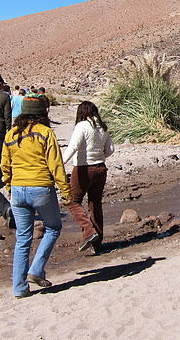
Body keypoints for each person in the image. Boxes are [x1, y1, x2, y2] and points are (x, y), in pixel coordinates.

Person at [1, 94, 72, 298]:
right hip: (41, 188)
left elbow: (5, 165)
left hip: (17, 189)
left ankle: (19, 287)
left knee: (22, 238)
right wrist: (66, 192)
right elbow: (56, 166)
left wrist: (9, 185)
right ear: (43, 113)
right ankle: (36, 269)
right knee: (54, 227)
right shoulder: (46, 133)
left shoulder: (11, 134)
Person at [63, 101, 115, 254]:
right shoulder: (102, 127)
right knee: (95, 205)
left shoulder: (82, 126)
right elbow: (111, 149)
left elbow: (73, 146)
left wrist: (60, 163)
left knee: (72, 201)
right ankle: (97, 245)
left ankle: (88, 231)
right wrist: (99, 157)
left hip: (83, 169)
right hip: (100, 168)